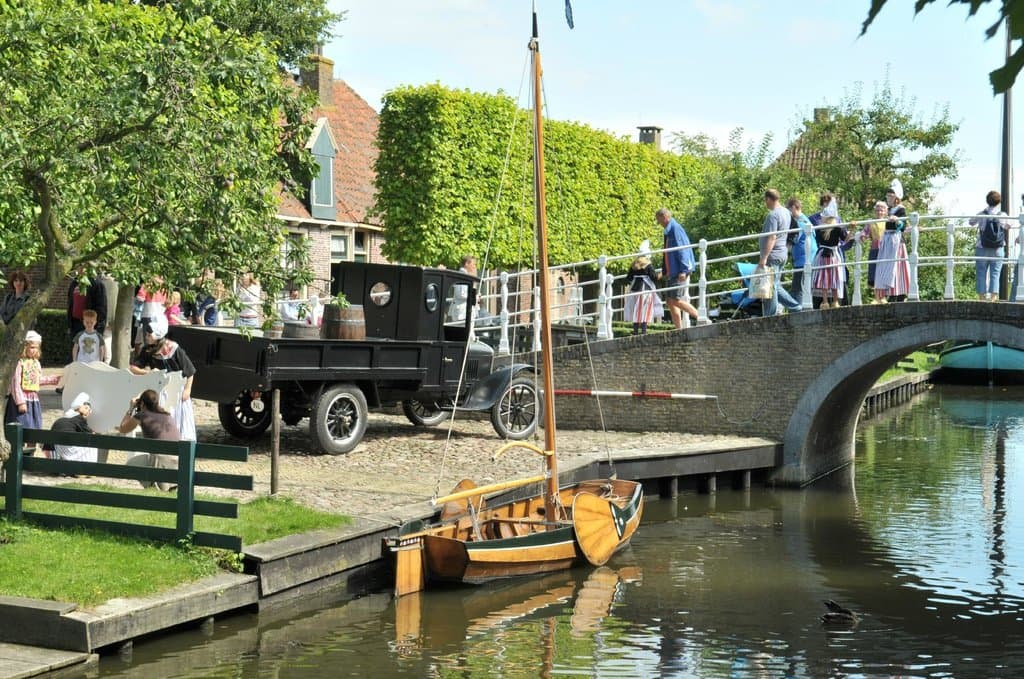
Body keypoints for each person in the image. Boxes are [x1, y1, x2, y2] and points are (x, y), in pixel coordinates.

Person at [130, 314, 197, 441]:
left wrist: (187, 390)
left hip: (178, 392)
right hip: (161, 392)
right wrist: (149, 373)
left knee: (180, 423)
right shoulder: (148, 350)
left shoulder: (174, 349)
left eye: (149, 334)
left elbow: (190, 371)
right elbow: (133, 368)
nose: (146, 336)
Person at [5, 331, 61, 448]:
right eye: (32, 347)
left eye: (36, 347)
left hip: (33, 401)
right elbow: (15, 383)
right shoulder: (19, 363)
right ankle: (18, 456)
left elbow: (36, 380)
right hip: (22, 401)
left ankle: (30, 455)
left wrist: (53, 380)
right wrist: (20, 402)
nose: (34, 350)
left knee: (34, 431)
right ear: (25, 347)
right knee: (20, 431)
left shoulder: (36, 363)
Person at [117, 389, 178, 491]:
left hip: (160, 461)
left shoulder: (142, 415)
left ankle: (153, 486)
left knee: (131, 464)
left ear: (143, 403)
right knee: (151, 458)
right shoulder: (167, 415)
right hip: (177, 460)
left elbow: (123, 429)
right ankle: (158, 485)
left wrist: (131, 408)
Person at [757, 190, 803, 317]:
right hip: (782, 253)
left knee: (771, 286)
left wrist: (764, 257)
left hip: (773, 254)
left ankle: (771, 315)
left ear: (768, 199)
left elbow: (772, 237)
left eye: (765, 200)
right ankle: (795, 307)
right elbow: (793, 231)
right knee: (775, 284)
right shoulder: (786, 212)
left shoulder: (773, 215)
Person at [656, 208, 699, 328]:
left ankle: (701, 318)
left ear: (664, 217)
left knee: (675, 299)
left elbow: (682, 250)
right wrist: (665, 270)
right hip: (673, 272)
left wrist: (684, 271)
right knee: (670, 301)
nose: (659, 224)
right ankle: (678, 330)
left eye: (659, 221)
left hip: (678, 272)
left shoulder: (675, 229)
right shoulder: (670, 230)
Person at [874, 179, 911, 302]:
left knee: (896, 267)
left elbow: (903, 226)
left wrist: (898, 221)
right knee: (885, 266)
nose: (888, 197)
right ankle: (886, 293)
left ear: (896, 197)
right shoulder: (888, 209)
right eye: (888, 195)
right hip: (887, 240)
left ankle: (898, 294)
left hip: (896, 241)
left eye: (891, 195)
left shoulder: (900, 210)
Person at [969, 190, 1009, 301]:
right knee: (995, 273)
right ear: (999, 202)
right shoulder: (1003, 215)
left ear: (987, 201)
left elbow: (971, 222)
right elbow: (1009, 225)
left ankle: (982, 297)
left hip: (982, 247)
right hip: (997, 248)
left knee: (981, 272)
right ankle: (993, 297)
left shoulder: (982, 214)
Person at [623, 241, 664, 335]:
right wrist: (662, 273)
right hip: (645, 290)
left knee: (635, 309)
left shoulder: (633, 265)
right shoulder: (648, 265)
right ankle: (644, 331)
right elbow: (654, 278)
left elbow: (628, 278)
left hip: (634, 289)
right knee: (645, 310)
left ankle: (635, 330)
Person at [45, 392, 97, 463]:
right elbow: (92, 434)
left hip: (53, 447)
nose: (88, 411)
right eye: (86, 408)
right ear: (79, 407)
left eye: (89, 410)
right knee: (93, 446)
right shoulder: (79, 418)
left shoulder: (66, 416)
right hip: (65, 447)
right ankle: (87, 468)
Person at [854, 201, 890, 303]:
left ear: (885, 211)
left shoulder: (888, 221)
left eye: (881, 210)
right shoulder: (871, 222)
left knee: (884, 272)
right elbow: (864, 231)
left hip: (886, 249)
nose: (879, 212)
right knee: (874, 272)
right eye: (877, 210)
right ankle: (876, 297)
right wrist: (862, 236)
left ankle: (883, 297)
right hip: (874, 248)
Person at [785, 198, 818, 305]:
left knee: (797, 290)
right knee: (803, 288)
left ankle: (797, 313)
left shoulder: (799, 223)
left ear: (793, 207)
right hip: (809, 259)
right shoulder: (807, 220)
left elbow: (794, 239)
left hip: (803, 261)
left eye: (788, 209)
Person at [811, 217, 849, 308]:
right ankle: (835, 302)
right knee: (834, 278)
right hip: (833, 256)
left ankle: (825, 302)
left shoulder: (820, 229)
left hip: (822, 256)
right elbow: (846, 240)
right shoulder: (838, 228)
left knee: (823, 278)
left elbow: (818, 241)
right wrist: (852, 230)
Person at [67, 272, 107, 337]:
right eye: (79, 265)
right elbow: (70, 305)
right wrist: (69, 325)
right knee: (75, 346)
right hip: (75, 325)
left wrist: (98, 328)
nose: (81, 268)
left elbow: (101, 309)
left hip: (90, 326)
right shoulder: (74, 283)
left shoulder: (97, 284)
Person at [448, 255, 478, 323]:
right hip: (462, 313)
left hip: (465, 312)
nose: (475, 267)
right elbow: (461, 294)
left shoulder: (467, 275)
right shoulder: (463, 275)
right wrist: (474, 296)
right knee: (467, 333)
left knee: (470, 333)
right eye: (474, 264)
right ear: (467, 264)